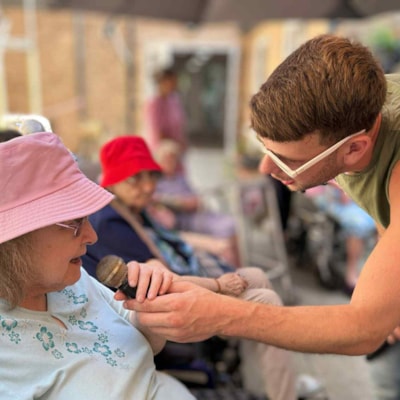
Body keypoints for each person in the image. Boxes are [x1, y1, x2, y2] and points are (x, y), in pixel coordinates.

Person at [126, 34, 400, 400]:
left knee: (387, 374)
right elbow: (384, 205)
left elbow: (362, 329)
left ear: (353, 149)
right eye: (265, 148)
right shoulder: (363, 102)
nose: (265, 168)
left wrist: (220, 314)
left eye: (287, 159)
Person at [82, 134, 322, 400]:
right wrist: (218, 285)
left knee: (256, 276)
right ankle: (282, 394)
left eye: (151, 176)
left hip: (180, 286)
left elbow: (169, 242)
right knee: (266, 301)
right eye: (135, 178)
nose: (148, 186)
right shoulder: (109, 223)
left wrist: (213, 249)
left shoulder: (129, 208)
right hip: (163, 309)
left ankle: (269, 385)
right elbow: (160, 284)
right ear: (113, 180)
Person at [0, 132, 196, 399]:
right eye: (75, 223)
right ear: (15, 241)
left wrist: (147, 307)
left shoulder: (73, 279)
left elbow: (141, 338)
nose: (92, 236)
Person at [151, 138, 242, 268]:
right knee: (226, 231)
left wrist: (193, 202)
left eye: (173, 159)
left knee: (231, 225)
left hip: (198, 213)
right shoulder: (157, 182)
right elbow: (160, 201)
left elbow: (195, 198)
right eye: (167, 159)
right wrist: (182, 203)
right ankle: (233, 268)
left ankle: (238, 267)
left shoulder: (180, 178)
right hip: (185, 220)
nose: (171, 162)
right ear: (158, 160)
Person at [305, 182, 377, 294]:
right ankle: (351, 275)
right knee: (358, 223)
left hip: (346, 194)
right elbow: (345, 197)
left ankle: (376, 271)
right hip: (325, 193)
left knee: (382, 220)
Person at [144, 67, 187, 158]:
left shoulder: (174, 101)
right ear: (163, 82)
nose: (175, 85)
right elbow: (157, 131)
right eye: (172, 81)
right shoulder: (154, 104)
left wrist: (181, 143)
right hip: (161, 152)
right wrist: (175, 143)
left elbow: (180, 125)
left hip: (175, 151)